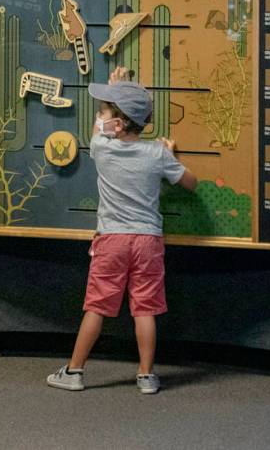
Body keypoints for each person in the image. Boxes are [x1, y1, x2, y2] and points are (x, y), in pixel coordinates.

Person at [47, 66, 197, 394]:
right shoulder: (157, 153)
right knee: (144, 308)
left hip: (111, 240)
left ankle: (74, 371)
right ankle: (146, 376)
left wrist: (116, 88)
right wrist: (170, 155)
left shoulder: (102, 147)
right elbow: (190, 182)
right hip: (147, 241)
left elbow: (97, 130)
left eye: (104, 110)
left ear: (120, 121)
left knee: (97, 306)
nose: (100, 116)